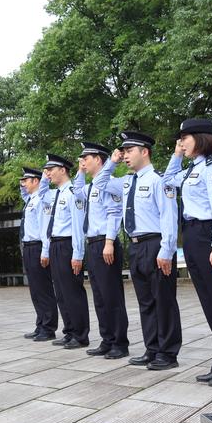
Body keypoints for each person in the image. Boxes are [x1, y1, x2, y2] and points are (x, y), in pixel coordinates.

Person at [93, 131, 182, 370]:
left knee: (163, 300)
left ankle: (168, 352)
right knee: (146, 302)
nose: (124, 156)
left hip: (156, 244)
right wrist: (111, 161)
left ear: (145, 152)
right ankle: (152, 348)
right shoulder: (126, 181)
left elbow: (169, 218)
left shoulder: (159, 180)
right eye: (123, 152)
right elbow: (99, 183)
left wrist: (166, 250)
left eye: (129, 151)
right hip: (135, 246)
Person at [163, 119, 212, 386]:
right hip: (193, 237)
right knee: (210, 306)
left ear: (201, 138)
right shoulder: (191, 169)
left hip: (210, 238)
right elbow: (168, 181)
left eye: (185, 137)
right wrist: (175, 155)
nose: (181, 142)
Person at [73, 142, 129, 359]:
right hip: (92, 244)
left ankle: (119, 342)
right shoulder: (89, 188)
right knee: (99, 295)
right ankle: (107, 339)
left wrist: (109, 242)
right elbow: (76, 192)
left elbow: (114, 213)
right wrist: (79, 171)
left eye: (86, 158)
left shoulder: (110, 184)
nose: (83, 162)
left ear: (99, 159)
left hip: (106, 243)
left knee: (112, 295)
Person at [40, 154, 90, 349]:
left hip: (68, 244)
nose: (48, 173)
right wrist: (44, 178)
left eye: (51, 169)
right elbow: (41, 194)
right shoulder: (55, 194)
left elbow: (78, 226)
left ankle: (80, 334)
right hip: (55, 244)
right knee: (60, 292)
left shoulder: (72, 193)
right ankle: (69, 331)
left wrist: (78, 254)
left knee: (72, 291)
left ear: (63, 169)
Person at [19, 167, 58, 342]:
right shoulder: (29, 199)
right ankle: (40, 323)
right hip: (28, 247)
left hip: (38, 246)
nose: (23, 184)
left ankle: (48, 327)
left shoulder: (42, 200)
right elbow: (23, 193)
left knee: (43, 289)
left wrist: (45, 250)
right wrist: (22, 184)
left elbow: (44, 226)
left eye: (26, 180)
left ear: (36, 181)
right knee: (35, 289)